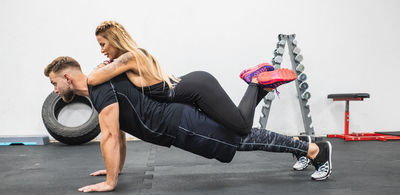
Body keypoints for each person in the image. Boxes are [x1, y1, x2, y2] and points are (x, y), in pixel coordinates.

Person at [44, 56, 333, 193]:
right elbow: (118, 133)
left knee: (239, 138)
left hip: (178, 123)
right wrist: (114, 169)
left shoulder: (99, 88)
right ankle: (301, 149)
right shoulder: (100, 85)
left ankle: (314, 151)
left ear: (67, 77)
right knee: (238, 132)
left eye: (55, 82)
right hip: (177, 119)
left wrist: (110, 183)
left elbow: (108, 135)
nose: (55, 89)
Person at [87, 20, 296, 136]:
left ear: (114, 41)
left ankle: (255, 80)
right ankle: (262, 86)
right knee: (235, 124)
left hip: (198, 88)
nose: (102, 50)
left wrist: (103, 66)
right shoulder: (131, 58)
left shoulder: (129, 58)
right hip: (196, 86)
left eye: (103, 44)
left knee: (241, 127)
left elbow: (92, 79)